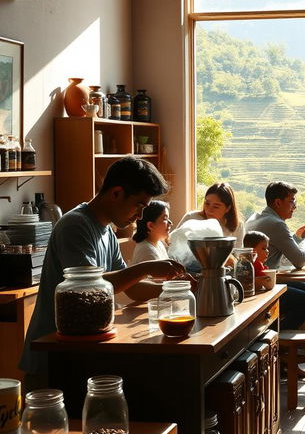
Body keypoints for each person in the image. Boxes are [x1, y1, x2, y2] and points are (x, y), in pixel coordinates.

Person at [20, 157, 188, 385]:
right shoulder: (75, 225)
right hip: (54, 352)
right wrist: (147, 267)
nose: (140, 216)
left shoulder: (107, 231)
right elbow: (87, 287)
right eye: (139, 205)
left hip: (84, 348)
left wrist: (174, 289)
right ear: (116, 193)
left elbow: (131, 287)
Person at [245, 181, 305, 331]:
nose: (294, 207)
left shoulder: (255, 218)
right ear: (277, 202)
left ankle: (277, 336)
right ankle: (275, 337)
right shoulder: (276, 224)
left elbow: (282, 250)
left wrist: (296, 237)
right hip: (266, 285)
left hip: (255, 281)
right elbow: (300, 260)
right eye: (291, 202)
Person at [177, 182, 244, 247]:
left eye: (216, 207)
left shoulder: (237, 226)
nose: (209, 210)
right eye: (207, 204)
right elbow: (173, 242)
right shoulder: (191, 218)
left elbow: (237, 254)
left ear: (228, 208)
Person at [130, 200, 172, 264]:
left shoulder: (159, 243)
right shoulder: (147, 251)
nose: (171, 223)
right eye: (165, 218)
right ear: (151, 225)